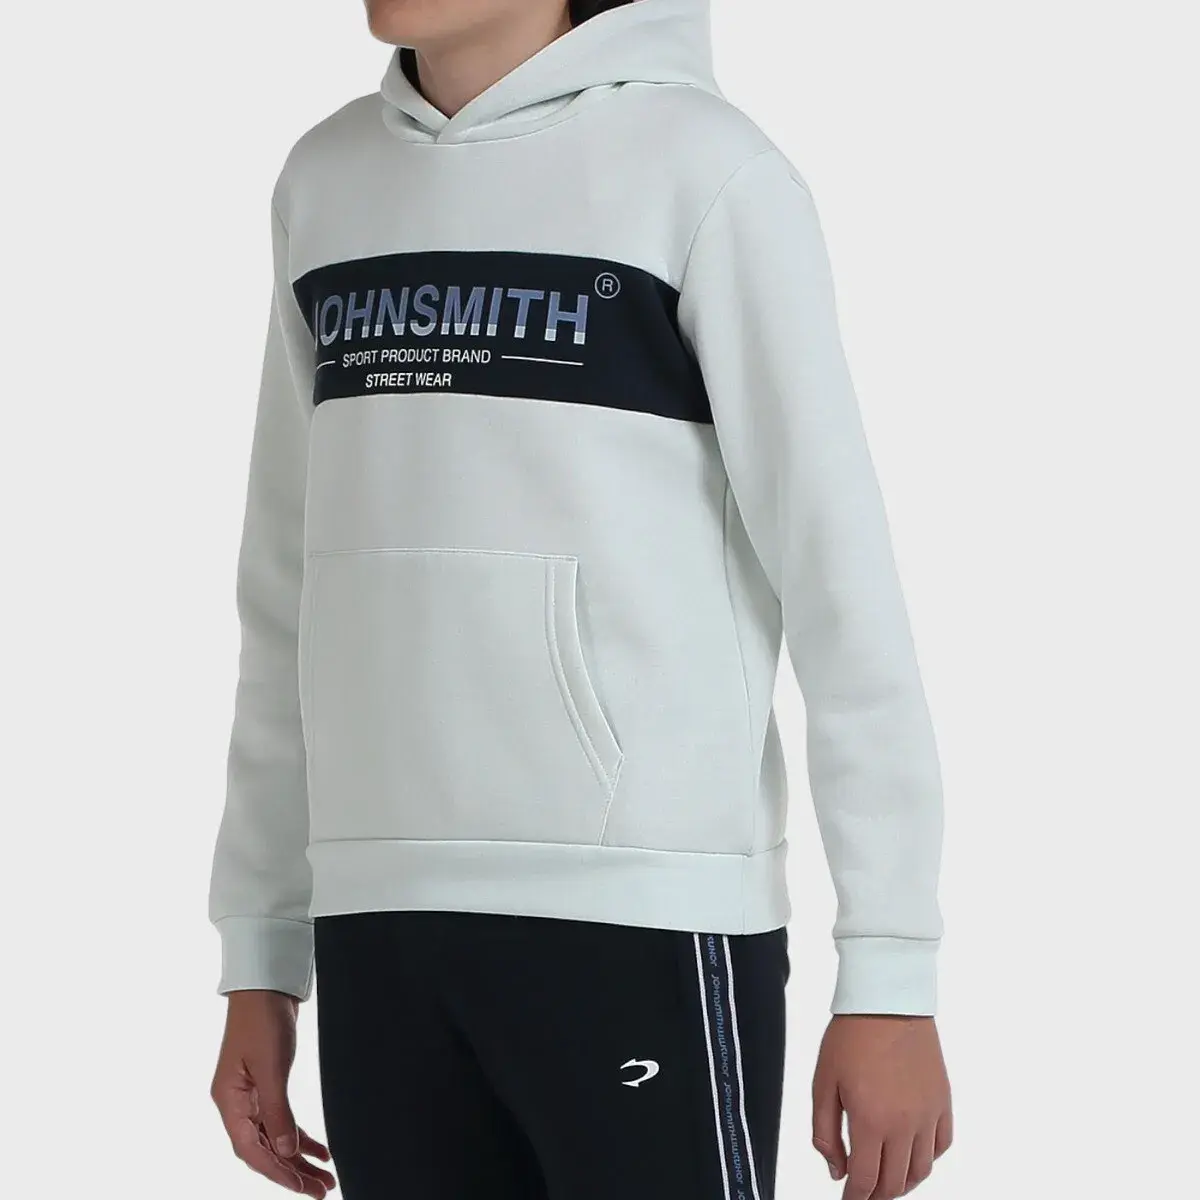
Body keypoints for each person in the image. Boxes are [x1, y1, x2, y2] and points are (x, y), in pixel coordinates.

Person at [207, 1, 953, 1197]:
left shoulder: (705, 172)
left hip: (641, 915)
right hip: (379, 919)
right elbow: (287, 589)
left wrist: (890, 974)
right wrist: (261, 951)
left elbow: (840, 585)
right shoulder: (326, 181)